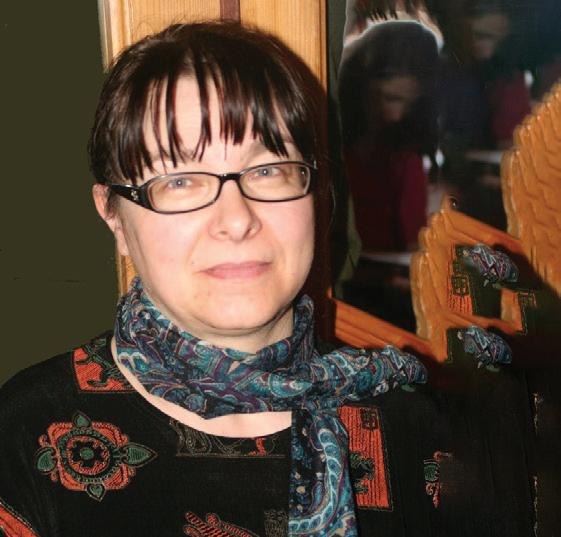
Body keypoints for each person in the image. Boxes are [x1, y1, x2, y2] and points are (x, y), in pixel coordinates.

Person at [0, 22, 428, 537]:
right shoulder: (25, 437)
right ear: (113, 214)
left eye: (267, 170)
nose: (237, 219)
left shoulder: (423, 431)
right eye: (180, 180)